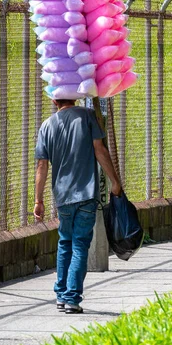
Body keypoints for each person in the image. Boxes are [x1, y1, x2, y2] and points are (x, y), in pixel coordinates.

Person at [34, 98, 121, 314]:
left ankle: (61, 295)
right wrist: (115, 181)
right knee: (80, 244)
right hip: (86, 194)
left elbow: (42, 165)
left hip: (62, 195)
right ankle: (72, 297)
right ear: (74, 94)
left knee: (65, 242)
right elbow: (100, 150)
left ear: (54, 98)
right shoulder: (87, 116)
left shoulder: (47, 125)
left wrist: (38, 200)